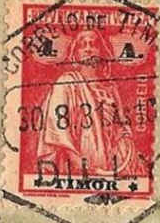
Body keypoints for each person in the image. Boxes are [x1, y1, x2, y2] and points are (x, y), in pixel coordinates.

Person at [37, 30, 139, 177]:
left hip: (113, 162)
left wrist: (126, 147)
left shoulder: (110, 87)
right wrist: (81, 163)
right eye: (82, 45)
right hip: (79, 165)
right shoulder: (66, 83)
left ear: (101, 51)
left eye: (93, 44)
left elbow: (121, 125)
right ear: (76, 53)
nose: (88, 49)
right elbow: (58, 132)